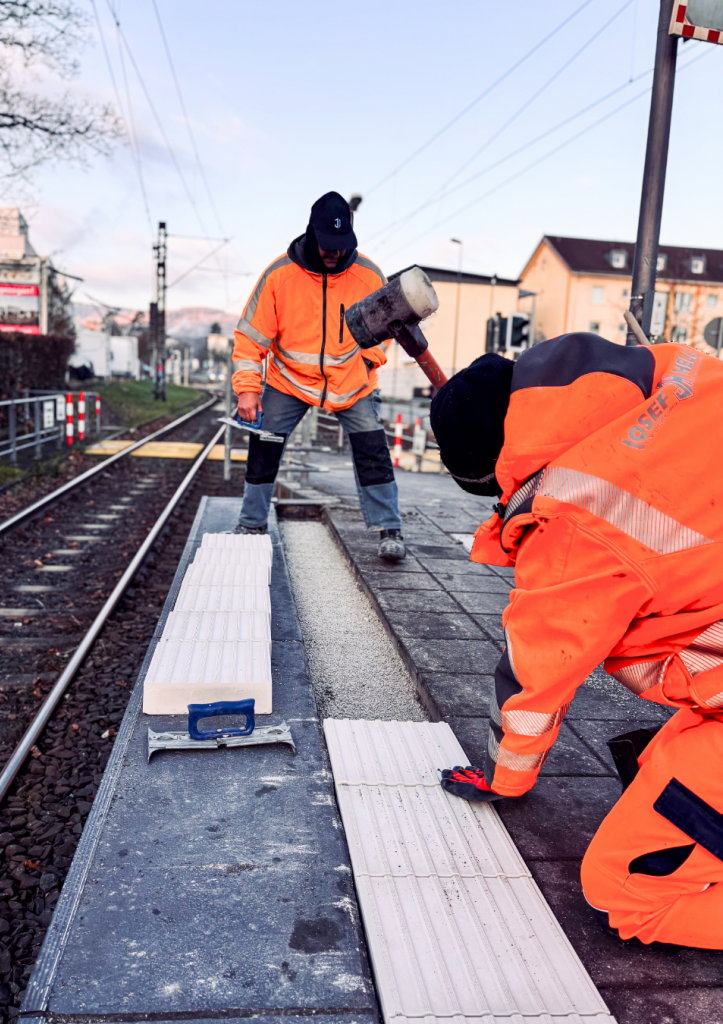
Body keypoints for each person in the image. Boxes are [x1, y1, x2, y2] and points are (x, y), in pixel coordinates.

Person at [430, 333, 723, 949]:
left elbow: (537, 678)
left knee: (624, 891)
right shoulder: (672, 367)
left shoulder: (572, 523)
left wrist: (506, 780)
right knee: (655, 764)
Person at [231, 191, 405, 560]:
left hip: (351, 380)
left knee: (373, 449)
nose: (334, 254)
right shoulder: (279, 275)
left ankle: (390, 529)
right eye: (328, 246)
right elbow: (250, 337)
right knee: (265, 444)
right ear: (311, 235)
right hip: (288, 380)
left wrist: (368, 362)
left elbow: (385, 331)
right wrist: (248, 390)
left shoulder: (369, 275)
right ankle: (251, 522)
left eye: (341, 247)